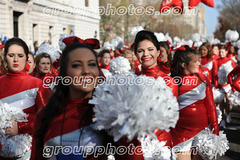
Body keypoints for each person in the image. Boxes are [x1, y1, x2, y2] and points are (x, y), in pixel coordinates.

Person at [30, 39, 111, 160]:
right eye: (76, 65)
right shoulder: (45, 114)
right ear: (64, 73)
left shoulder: (109, 113)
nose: (86, 71)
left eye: (92, 64)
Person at [0, 37, 50, 159]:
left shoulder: (38, 84)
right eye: (11, 55)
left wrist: (20, 128)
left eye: (20, 55)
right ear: (5, 57)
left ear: (27, 58)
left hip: (30, 153)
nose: (16, 59)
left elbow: (49, 119)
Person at [170, 46, 219, 160]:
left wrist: (215, 129)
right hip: (180, 133)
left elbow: (211, 106)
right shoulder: (172, 82)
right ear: (184, 65)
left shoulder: (203, 79)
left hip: (202, 132)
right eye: (195, 61)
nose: (199, 63)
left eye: (199, 60)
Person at [217, 45, 236, 126]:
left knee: (228, 100)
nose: (221, 54)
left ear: (226, 52)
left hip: (228, 84)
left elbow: (234, 72)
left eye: (222, 52)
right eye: (220, 52)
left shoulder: (230, 60)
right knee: (221, 102)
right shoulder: (216, 60)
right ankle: (223, 118)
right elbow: (215, 72)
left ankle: (228, 113)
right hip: (220, 84)